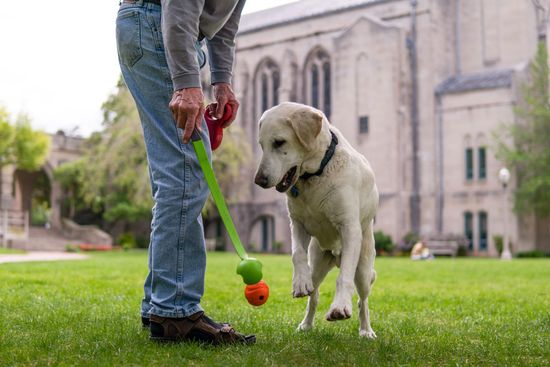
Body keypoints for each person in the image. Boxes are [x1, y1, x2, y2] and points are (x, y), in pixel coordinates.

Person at [115, 0, 254, 344]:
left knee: (176, 171)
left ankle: (160, 305)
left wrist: (222, 80)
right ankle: (174, 309)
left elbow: (225, 23)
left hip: (154, 27)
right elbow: (179, 5)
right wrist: (186, 84)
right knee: (186, 167)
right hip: (158, 23)